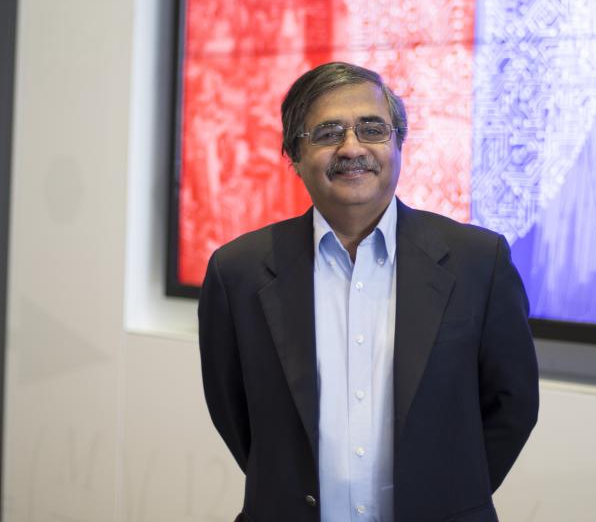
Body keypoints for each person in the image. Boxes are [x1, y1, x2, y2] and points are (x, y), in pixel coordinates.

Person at [198, 61, 538, 522]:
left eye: (372, 129)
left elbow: (512, 406)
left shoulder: (479, 261)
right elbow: (233, 414)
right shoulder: (237, 272)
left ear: (399, 144)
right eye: (327, 133)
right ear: (294, 155)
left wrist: (443, 498)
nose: (352, 148)